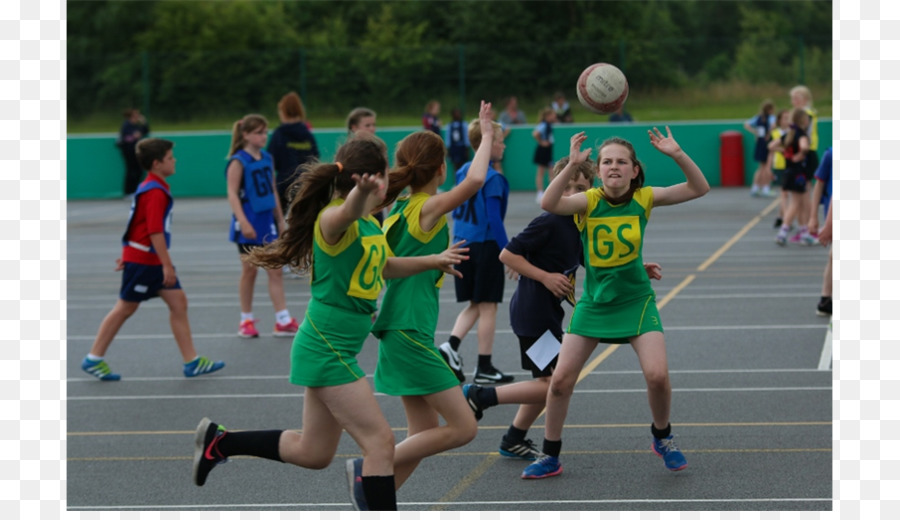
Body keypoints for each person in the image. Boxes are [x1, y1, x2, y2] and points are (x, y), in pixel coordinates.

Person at [192, 132, 468, 511]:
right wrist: (358, 194)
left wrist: (432, 261)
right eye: (383, 174)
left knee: (313, 452)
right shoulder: (333, 220)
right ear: (368, 178)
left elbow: (385, 265)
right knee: (380, 443)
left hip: (334, 346)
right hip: (327, 347)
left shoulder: (371, 224)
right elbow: (347, 212)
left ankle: (221, 442)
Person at [522, 128, 710, 479]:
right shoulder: (588, 201)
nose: (614, 167)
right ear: (598, 169)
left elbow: (699, 188)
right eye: (606, 161)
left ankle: (662, 435)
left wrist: (677, 153)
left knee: (657, 376)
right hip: (594, 304)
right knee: (561, 381)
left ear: (634, 170)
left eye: (622, 162)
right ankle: (550, 454)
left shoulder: (645, 199)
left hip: (636, 301)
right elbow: (549, 203)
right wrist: (572, 165)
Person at [462, 160, 662, 464]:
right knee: (555, 384)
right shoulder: (551, 220)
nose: (571, 193)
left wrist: (637, 268)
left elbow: (590, 258)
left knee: (549, 382)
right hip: (533, 315)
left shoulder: (583, 221)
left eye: (579, 188)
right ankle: (482, 396)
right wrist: (542, 275)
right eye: (566, 186)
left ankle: (514, 437)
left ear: (592, 189)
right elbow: (507, 254)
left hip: (548, 315)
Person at [362, 100, 496, 491]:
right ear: (440, 168)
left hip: (403, 326)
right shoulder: (426, 207)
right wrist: (485, 136)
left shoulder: (398, 205)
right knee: (463, 427)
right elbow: (473, 182)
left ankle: (375, 503)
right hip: (407, 329)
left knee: (422, 433)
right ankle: (369, 467)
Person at [81, 138, 225, 381]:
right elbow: (153, 230)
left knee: (178, 302)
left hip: (144, 258)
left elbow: (135, 225)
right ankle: (93, 358)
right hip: (147, 261)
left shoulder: (152, 187)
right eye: (170, 157)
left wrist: (128, 252)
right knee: (125, 307)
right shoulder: (154, 191)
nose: (174, 160)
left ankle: (192, 362)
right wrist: (165, 264)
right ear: (157, 163)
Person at [438, 111, 513, 384]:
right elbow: (493, 219)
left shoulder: (462, 171)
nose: (503, 145)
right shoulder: (492, 179)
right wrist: (509, 253)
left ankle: (450, 347)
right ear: (488, 142)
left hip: (462, 243)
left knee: (475, 303)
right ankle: (484, 366)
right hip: (485, 245)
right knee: (489, 306)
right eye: (500, 140)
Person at [225, 114, 298, 338]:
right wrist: (243, 221)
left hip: (267, 221)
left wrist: (280, 218)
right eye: (258, 132)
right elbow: (232, 194)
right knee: (249, 271)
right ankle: (245, 320)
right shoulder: (238, 161)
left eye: (265, 132)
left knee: (275, 270)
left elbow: (272, 189)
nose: (263, 136)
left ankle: (282, 319)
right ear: (245, 134)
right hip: (248, 220)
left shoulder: (267, 157)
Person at [769, 108, 817, 246]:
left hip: (789, 172)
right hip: (799, 174)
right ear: (803, 120)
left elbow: (771, 145)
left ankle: (804, 233)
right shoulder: (802, 135)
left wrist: (785, 153)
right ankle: (783, 232)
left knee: (802, 202)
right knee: (796, 203)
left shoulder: (789, 134)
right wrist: (800, 155)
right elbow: (804, 148)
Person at [267, 92, 320, 212]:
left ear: (283, 112)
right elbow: (315, 158)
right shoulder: (307, 134)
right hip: (306, 183)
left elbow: (271, 160)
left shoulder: (279, 134)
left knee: (277, 221)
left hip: (284, 183)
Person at [789, 85, 820, 243]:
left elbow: (803, 138)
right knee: (801, 196)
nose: (794, 101)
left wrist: (800, 153)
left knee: (805, 195)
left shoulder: (806, 115)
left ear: (805, 99)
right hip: (801, 155)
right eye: (793, 98)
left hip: (806, 155)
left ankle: (811, 229)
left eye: (797, 98)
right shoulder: (801, 114)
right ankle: (804, 229)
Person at [808, 146, 832, 316]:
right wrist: (813, 217)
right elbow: (819, 185)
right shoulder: (831, 154)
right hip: (833, 214)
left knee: (834, 256)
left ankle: (826, 298)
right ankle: (826, 298)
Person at [744, 99, 776, 198]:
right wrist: (769, 134)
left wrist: (755, 132)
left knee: (761, 167)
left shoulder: (758, 118)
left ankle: (755, 187)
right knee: (767, 167)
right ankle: (766, 187)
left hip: (759, 144)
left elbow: (746, 124)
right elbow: (773, 126)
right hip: (766, 144)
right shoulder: (771, 118)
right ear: (770, 109)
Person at [117, 108, 150, 196]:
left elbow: (145, 130)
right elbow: (127, 137)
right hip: (129, 151)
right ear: (131, 116)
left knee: (139, 171)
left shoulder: (136, 125)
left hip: (136, 151)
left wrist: (144, 122)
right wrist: (134, 136)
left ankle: (135, 190)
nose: (138, 116)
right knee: (131, 171)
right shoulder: (126, 125)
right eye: (136, 114)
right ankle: (128, 192)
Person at [768, 109, 791, 228]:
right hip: (780, 165)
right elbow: (770, 148)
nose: (787, 121)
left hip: (791, 165)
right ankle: (786, 219)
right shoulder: (776, 133)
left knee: (786, 194)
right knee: (784, 193)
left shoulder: (792, 132)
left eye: (789, 118)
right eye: (785, 118)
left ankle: (780, 217)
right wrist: (768, 168)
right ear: (779, 120)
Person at [532, 107, 557, 203]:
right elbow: (535, 134)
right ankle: (540, 193)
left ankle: (552, 192)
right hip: (543, 150)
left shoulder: (550, 125)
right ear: (547, 116)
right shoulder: (543, 125)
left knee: (551, 171)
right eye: (552, 115)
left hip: (548, 150)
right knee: (541, 172)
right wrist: (542, 142)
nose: (554, 116)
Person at [446, 107, 471, 173]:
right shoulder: (450, 126)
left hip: (462, 148)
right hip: (454, 148)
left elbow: (466, 137)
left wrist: (467, 148)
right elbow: (448, 138)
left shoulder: (464, 124)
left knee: (464, 166)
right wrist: (448, 150)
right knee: (456, 166)